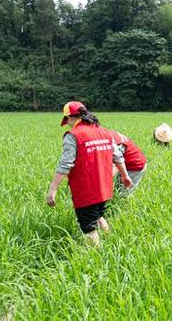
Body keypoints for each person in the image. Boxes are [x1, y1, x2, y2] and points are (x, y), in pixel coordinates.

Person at [47, 101, 132, 246]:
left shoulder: (73, 135)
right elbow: (117, 156)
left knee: (89, 228)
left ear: (71, 118)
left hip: (86, 191)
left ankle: (96, 258)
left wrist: (53, 189)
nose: (67, 124)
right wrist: (125, 175)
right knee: (98, 216)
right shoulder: (104, 132)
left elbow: (65, 164)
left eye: (67, 120)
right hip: (104, 189)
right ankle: (112, 243)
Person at [110, 131, 147, 196]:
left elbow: (116, 164)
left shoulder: (113, 143)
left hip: (135, 166)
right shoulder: (108, 135)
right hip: (127, 162)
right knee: (117, 191)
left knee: (123, 195)